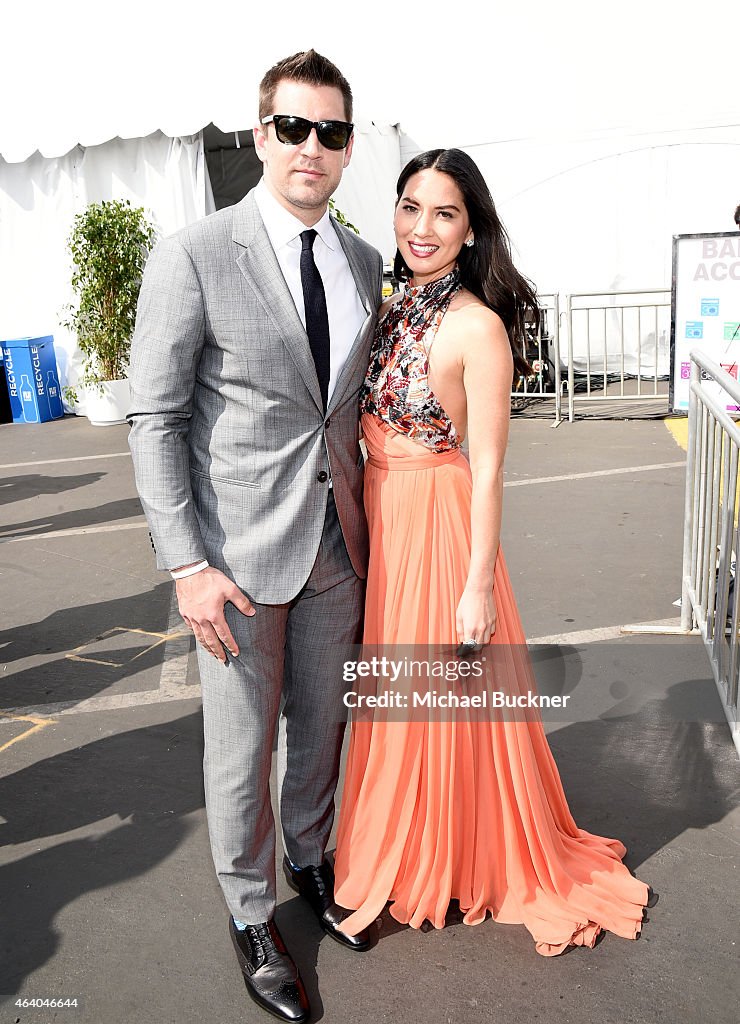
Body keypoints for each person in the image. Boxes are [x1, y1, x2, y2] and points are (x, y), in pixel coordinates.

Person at [333, 148, 657, 955]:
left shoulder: (477, 326)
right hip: (387, 518)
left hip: (441, 530)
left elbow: (489, 471)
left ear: (471, 225)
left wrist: (478, 584)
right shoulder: (392, 305)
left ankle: (446, 853)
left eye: (444, 213)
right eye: (411, 207)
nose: (422, 227)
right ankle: (412, 844)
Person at [127, 50, 383, 1024]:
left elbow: (352, 408)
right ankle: (247, 912)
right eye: (292, 127)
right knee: (239, 751)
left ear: (346, 147)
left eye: (329, 131)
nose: (308, 148)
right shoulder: (194, 253)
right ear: (260, 133)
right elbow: (154, 420)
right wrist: (186, 564)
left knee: (320, 729)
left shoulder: (362, 263)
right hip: (232, 561)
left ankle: (309, 863)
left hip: (334, 546)